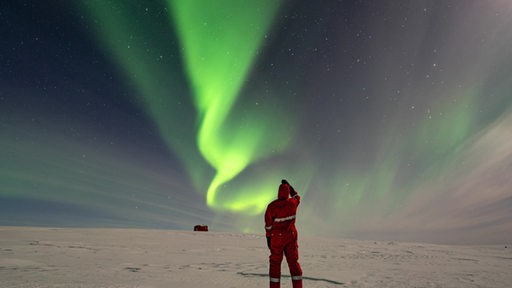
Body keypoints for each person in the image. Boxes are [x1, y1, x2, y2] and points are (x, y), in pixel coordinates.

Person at [264, 179, 303, 288]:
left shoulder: (272, 206)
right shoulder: (292, 203)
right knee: (293, 262)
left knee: (275, 264)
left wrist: (268, 237)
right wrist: (292, 190)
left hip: (276, 238)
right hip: (290, 236)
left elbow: (268, 225)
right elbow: (298, 198)